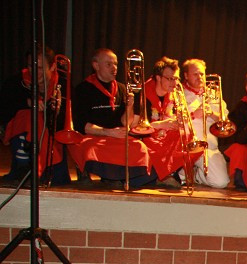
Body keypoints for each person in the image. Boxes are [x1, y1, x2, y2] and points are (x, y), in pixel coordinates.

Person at [68, 48, 155, 188]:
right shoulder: (83, 89)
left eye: (115, 64)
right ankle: (111, 178)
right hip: (93, 136)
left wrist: (129, 107)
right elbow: (81, 125)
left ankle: (125, 179)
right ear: (96, 66)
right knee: (92, 149)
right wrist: (107, 132)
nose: (114, 68)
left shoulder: (121, 89)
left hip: (115, 136)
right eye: (109, 64)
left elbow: (125, 122)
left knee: (139, 147)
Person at [0, 45, 70, 184]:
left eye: (39, 68)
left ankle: (30, 170)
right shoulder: (15, 82)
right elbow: (4, 110)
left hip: (52, 133)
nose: (34, 71)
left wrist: (55, 110)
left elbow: (65, 121)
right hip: (22, 132)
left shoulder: (63, 84)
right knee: (28, 115)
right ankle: (26, 168)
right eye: (31, 67)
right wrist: (28, 102)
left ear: (52, 66)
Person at [139, 56, 191, 188]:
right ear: (158, 77)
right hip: (146, 136)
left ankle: (168, 173)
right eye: (170, 79)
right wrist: (162, 125)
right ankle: (164, 175)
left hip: (163, 133)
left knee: (187, 136)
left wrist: (176, 120)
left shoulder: (173, 94)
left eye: (176, 78)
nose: (174, 83)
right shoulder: (142, 94)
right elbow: (136, 127)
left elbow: (169, 115)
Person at [181, 58, 230, 189]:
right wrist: (193, 114)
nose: (200, 77)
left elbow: (225, 122)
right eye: (195, 74)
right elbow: (173, 118)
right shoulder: (178, 93)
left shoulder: (214, 94)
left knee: (222, 182)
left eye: (202, 74)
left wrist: (212, 115)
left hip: (209, 146)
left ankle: (198, 175)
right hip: (185, 146)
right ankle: (185, 172)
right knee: (179, 179)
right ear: (186, 75)